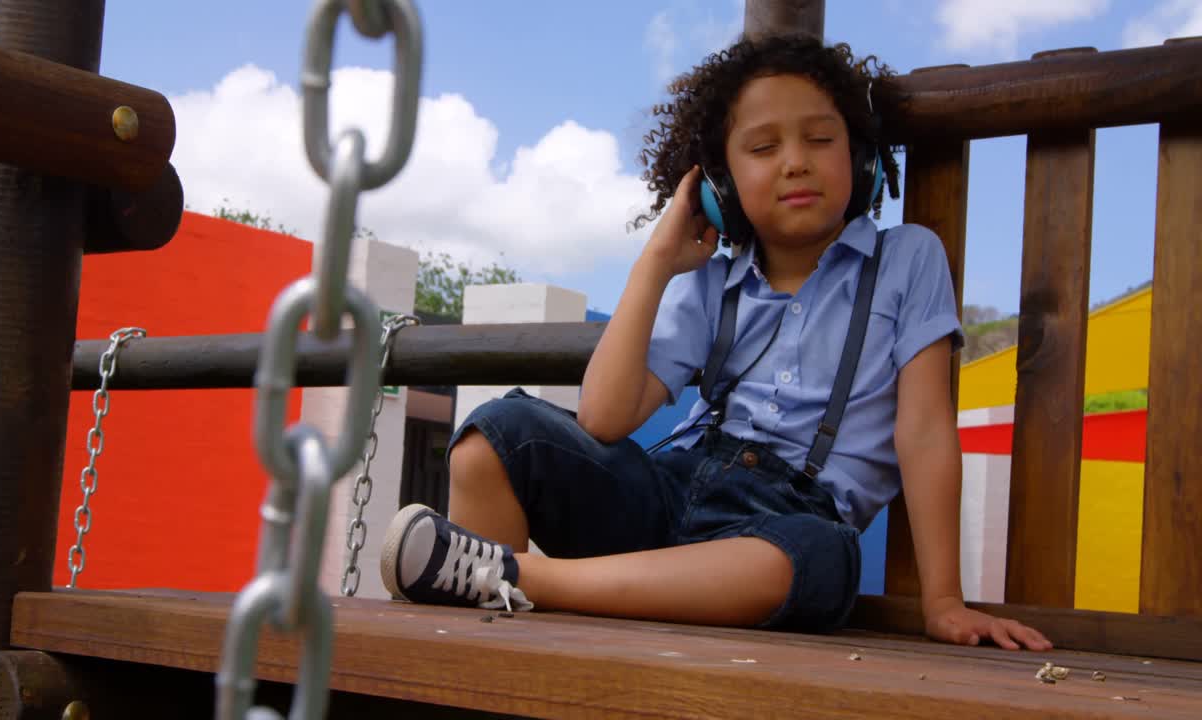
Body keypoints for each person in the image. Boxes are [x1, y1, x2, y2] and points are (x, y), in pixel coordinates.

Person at [378, 33, 1052, 650]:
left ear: (864, 160)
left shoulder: (907, 260)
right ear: (720, 189)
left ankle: (514, 579)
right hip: (670, 493)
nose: (794, 163)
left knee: (819, 555)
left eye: (820, 140)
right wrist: (657, 262)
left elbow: (927, 434)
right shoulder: (711, 285)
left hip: (785, 521)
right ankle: (492, 656)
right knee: (496, 436)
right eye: (763, 149)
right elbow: (605, 418)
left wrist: (942, 601)